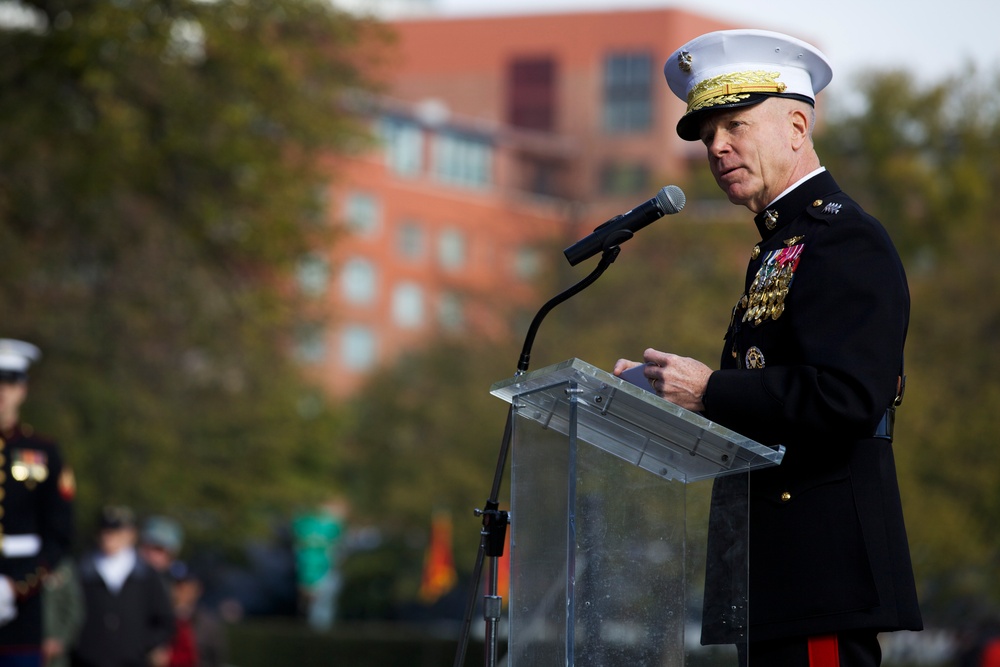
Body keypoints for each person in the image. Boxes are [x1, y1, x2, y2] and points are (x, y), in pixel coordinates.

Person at [613, 29, 922, 666]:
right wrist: (665, 399)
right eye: (706, 137)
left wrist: (709, 390)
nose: (717, 147)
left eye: (735, 124)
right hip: (776, 572)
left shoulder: (843, 240)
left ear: (797, 126)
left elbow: (849, 396)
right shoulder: (782, 244)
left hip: (820, 570)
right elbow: (773, 395)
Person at [0, 338, 75, 666]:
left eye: (10, 383)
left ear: (22, 390)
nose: (1, 393)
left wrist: (15, 587)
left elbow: (59, 536)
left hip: (24, 608)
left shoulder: (44, 452)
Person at [72, 506, 175, 667]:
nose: (110, 538)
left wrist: (141, 645)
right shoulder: (82, 570)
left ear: (131, 535)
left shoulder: (146, 575)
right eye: (105, 532)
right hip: (88, 661)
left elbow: (164, 620)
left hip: (133, 661)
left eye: (117, 532)